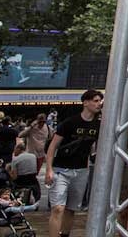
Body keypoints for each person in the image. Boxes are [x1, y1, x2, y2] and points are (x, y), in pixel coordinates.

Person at [45, 88, 103, 237]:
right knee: (58, 208)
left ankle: (65, 234)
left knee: (71, 208)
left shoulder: (99, 125)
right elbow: (52, 147)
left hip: (81, 170)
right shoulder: (70, 122)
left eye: (100, 101)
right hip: (61, 169)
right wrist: (49, 169)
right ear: (85, 102)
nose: (99, 104)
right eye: (95, 101)